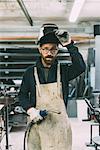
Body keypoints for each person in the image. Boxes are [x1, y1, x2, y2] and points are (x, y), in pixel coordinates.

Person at [18, 23, 86, 150]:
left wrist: (70, 45)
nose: (49, 53)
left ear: (57, 50)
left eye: (53, 49)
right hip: (37, 125)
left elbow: (81, 67)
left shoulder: (64, 71)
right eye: (46, 49)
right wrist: (30, 110)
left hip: (59, 127)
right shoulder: (30, 73)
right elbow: (22, 96)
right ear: (40, 49)